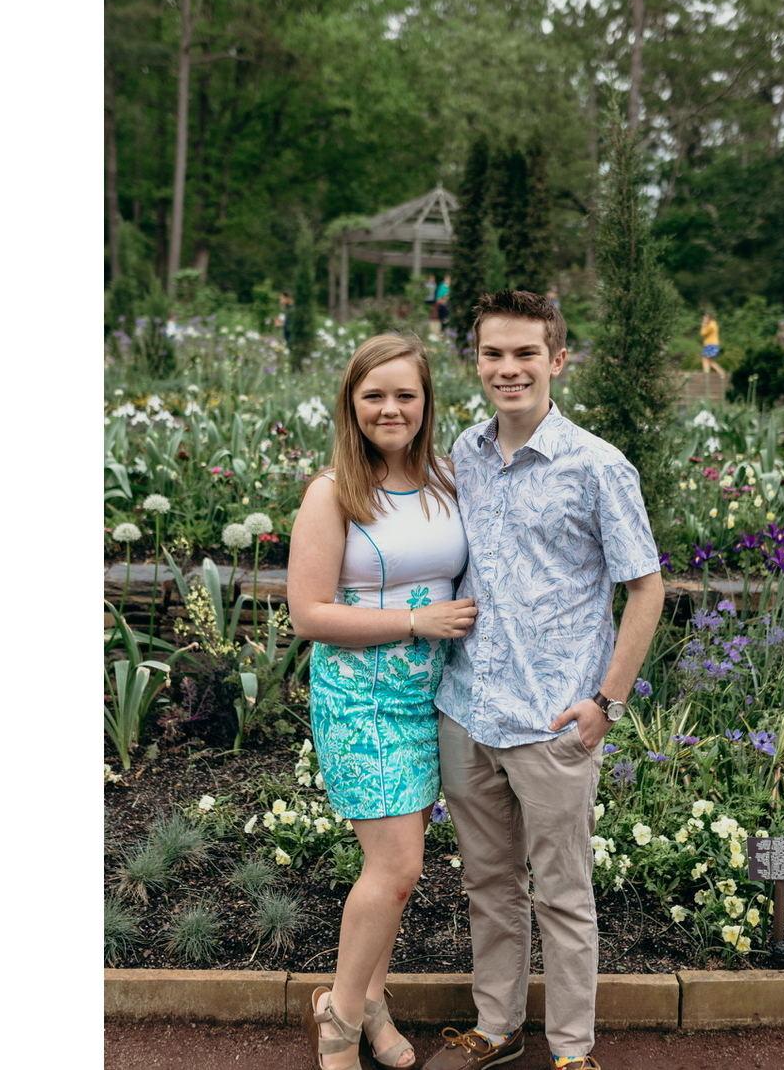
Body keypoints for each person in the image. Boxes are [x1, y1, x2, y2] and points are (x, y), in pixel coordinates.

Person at [422, 291, 666, 1070]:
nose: (509, 368)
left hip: (554, 721)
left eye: (526, 353)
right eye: (493, 353)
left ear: (557, 360)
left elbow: (646, 588)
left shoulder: (597, 466)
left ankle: (570, 1051)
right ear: (477, 362)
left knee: (564, 895)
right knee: (488, 884)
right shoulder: (465, 453)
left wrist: (606, 703)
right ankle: (497, 1028)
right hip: (468, 710)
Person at [288, 334, 477, 1070]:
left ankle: (370, 1000)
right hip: (360, 700)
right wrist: (415, 622)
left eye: (405, 394)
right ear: (352, 404)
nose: (390, 408)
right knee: (396, 867)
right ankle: (339, 1019)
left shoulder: (447, 479)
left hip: (432, 694)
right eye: (374, 395)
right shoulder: (333, 491)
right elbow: (308, 614)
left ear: (427, 402)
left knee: (399, 872)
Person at [699, 310, 726, 380]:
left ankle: (720, 372)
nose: (704, 319)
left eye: (705, 318)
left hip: (711, 345)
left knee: (707, 360)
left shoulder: (711, 325)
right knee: (707, 360)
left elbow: (702, 333)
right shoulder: (713, 323)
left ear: (709, 318)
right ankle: (708, 375)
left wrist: (703, 325)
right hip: (711, 345)